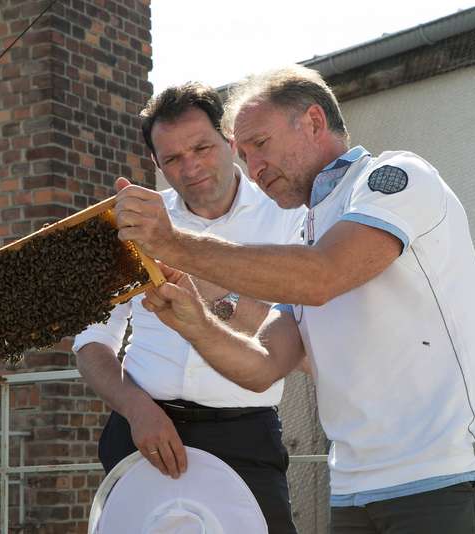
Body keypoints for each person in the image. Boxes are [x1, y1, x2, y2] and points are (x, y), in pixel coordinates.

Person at [114, 65, 475, 534]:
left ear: (313, 122)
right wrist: (195, 322)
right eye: (242, 154)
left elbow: (324, 277)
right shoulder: (306, 232)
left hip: (444, 475)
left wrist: (175, 244)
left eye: (259, 144)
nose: (253, 168)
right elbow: (263, 363)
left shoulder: (397, 176)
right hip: (352, 487)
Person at [73, 82, 305, 533]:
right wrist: (136, 409)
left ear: (230, 141)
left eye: (202, 147)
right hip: (142, 431)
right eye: (173, 158)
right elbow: (91, 341)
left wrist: (217, 293)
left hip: (244, 435)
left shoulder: (289, 216)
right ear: (156, 164)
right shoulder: (132, 225)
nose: (192, 166)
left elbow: (301, 340)